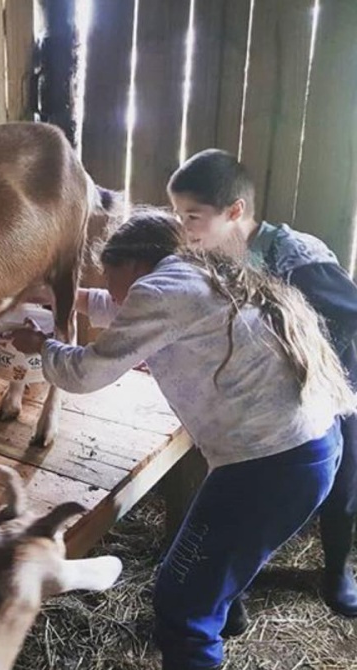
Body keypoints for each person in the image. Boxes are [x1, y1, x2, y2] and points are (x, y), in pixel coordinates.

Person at [7, 210, 353, 670]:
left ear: (134, 264)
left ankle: (199, 635)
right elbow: (124, 309)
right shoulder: (198, 277)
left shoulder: (161, 291)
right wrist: (56, 295)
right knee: (212, 568)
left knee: (181, 603)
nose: (110, 290)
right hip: (311, 447)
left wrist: (42, 347)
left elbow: (85, 373)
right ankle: (224, 616)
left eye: (109, 277)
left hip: (270, 465)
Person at [169, 148, 357, 621]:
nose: (183, 227)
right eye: (178, 214)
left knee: (343, 482)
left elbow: (350, 313)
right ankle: (232, 589)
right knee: (246, 489)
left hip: (331, 382)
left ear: (235, 211)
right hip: (265, 394)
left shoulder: (298, 257)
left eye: (192, 215)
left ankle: (336, 569)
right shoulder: (212, 258)